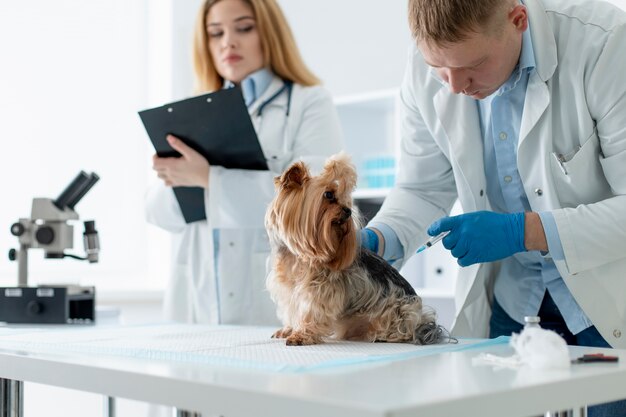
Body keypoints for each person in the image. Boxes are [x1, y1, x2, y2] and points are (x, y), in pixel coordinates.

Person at [361, 0, 626, 414]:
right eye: (439, 69)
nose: (454, 87)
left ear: (517, 20)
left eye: (472, 66)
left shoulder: (607, 44)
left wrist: (523, 232)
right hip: (514, 303)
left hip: (608, 300)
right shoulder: (431, 66)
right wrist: (380, 239)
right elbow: (422, 187)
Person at [145, 0, 343, 325]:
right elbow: (157, 212)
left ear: (270, 32)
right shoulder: (194, 114)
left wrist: (210, 179)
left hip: (273, 296)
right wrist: (178, 178)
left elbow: (314, 202)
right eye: (215, 33)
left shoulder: (310, 102)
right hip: (199, 297)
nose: (228, 42)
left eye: (244, 28)